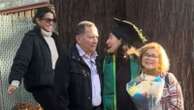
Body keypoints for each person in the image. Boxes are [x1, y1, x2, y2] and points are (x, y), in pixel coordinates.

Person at [7, 7, 60, 110]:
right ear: (38, 20)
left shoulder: (55, 38)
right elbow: (22, 59)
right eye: (48, 20)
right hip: (41, 85)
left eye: (53, 20)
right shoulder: (31, 38)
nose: (51, 23)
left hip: (57, 83)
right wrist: (15, 80)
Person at [55, 20, 102, 110]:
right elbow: (60, 94)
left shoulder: (98, 59)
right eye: (91, 37)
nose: (95, 41)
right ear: (78, 39)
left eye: (97, 37)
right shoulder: (67, 59)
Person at [103, 18, 147, 110]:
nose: (107, 41)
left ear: (121, 40)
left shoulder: (138, 63)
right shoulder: (105, 62)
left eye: (110, 37)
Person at [126, 42, 184, 110]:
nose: (149, 58)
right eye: (146, 55)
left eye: (153, 56)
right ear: (141, 58)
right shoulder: (135, 82)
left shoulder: (168, 78)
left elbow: (177, 107)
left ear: (160, 60)